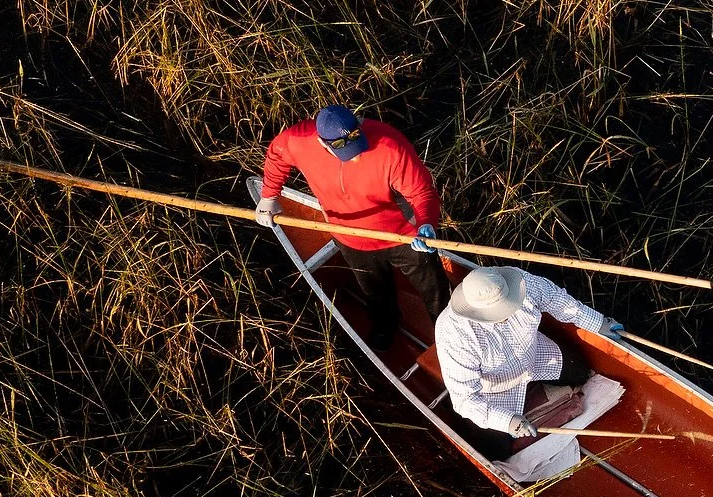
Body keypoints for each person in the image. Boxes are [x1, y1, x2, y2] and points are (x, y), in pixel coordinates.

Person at [257, 105, 449, 344]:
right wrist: (269, 197)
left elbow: (421, 192)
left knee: (434, 288)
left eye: (357, 138)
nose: (356, 154)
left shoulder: (389, 145)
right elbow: (277, 154)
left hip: (404, 235)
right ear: (323, 143)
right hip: (351, 236)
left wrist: (426, 223)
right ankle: (386, 325)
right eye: (343, 148)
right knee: (374, 290)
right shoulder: (298, 140)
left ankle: (449, 335)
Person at [435, 265, 625, 459]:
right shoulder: (454, 333)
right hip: (495, 389)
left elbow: (557, 300)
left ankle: (534, 388)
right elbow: (465, 399)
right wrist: (507, 421)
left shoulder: (519, 283)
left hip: (535, 356)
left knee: (580, 372)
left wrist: (598, 322)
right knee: (496, 451)